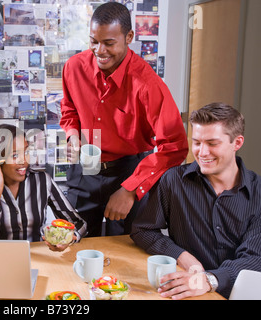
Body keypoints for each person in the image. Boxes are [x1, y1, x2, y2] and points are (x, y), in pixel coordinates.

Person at [60, 2, 188, 236]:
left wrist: (130, 190)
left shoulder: (148, 85)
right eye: (94, 41)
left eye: (109, 43)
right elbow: (69, 109)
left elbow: (175, 146)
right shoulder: (73, 67)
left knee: (125, 246)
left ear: (129, 36)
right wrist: (72, 136)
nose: (99, 50)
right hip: (85, 168)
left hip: (128, 171)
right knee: (74, 240)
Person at [131, 103, 261, 299]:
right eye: (197, 143)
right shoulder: (173, 181)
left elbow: (255, 260)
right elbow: (143, 229)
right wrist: (183, 256)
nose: (202, 153)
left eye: (212, 144)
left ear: (237, 143)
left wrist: (208, 280)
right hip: (191, 291)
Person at [0, 124, 87, 252]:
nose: (24, 160)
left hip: (38, 258)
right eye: (15, 155)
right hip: (0, 260)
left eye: (26, 152)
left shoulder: (42, 180)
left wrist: (68, 239)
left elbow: (78, 223)